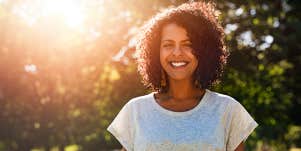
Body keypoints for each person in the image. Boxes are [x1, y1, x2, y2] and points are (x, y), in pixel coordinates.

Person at [107, 1, 258, 151]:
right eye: (168, 45)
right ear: (155, 52)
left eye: (188, 44)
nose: (177, 52)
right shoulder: (135, 110)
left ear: (204, 50)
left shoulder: (228, 109)